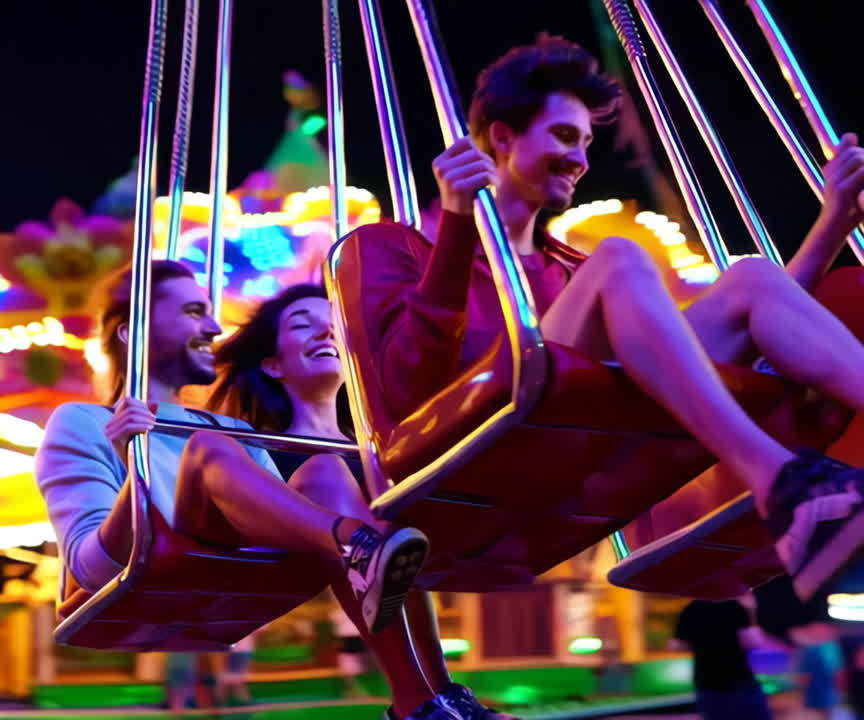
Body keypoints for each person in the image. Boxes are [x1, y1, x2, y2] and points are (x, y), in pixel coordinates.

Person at [340, 35, 864, 602]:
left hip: (584, 440)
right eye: (565, 135)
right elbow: (403, 388)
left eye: (588, 143)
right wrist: (459, 226)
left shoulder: (572, 272)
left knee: (752, 280)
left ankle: (792, 486)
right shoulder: (396, 248)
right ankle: (781, 482)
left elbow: (725, 347)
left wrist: (832, 222)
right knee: (619, 259)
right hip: (476, 452)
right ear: (503, 137)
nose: (581, 159)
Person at [35, 261, 429, 643]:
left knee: (322, 471)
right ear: (134, 332)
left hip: (243, 559)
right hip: (152, 570)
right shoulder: (83, 422)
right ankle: (359, 543)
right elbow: (92, 567)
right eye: (194, 313)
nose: (214, 328)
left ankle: (421, 695)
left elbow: (284, 526)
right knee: (209, 448)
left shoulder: (234, 431)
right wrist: (133, 471)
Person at [209, 283, 509, 719]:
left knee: (399, 502)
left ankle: (440, 691)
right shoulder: (260, 448)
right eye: (301, 325)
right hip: (296, 546)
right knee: (327, 472)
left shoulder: (374, 451)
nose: (324, 334)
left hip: (384, 544)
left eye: (334, 327)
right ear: (273, 364)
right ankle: (415, 699)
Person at [671, 598, 773, 719]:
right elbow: (752, 643)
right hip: (738, 679)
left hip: (706, 682)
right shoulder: (734, 606)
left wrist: (703, 642)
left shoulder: (691, 608)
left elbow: (677, 646)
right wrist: (752, 612)